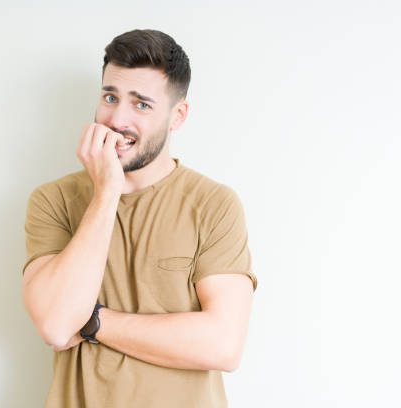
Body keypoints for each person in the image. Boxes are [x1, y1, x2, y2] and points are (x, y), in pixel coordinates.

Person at [21, 28, 258, 408]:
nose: (117, 119)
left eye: (141, 104)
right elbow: (54, 324)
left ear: (177, 115)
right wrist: (106, 192)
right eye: (110, 97)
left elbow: (223, 344)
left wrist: (94, 322)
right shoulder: (54, 200)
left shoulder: (214, 204)